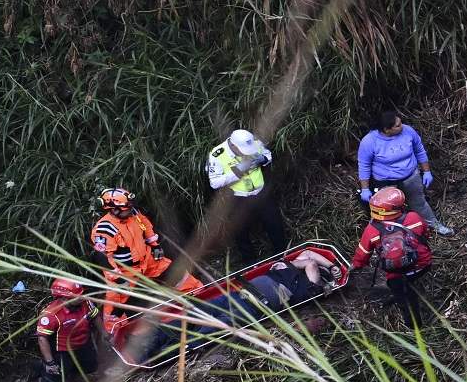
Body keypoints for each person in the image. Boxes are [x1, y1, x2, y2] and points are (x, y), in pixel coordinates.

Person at [356, 111, 452, 235]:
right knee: (387, 211)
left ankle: (434, 224)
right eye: (397, 125)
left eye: (400, 123)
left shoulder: (408, 131)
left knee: (419, 203)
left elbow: (419, 150)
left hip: (410, 175)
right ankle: (389, 237)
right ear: (387, 129)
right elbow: (364, 165)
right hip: (386, 181)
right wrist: (365, 189)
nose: (402, 126)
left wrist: (426, 171)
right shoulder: (369, 141)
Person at [348, 187, 433, 325]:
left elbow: (362, 255)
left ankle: (414, 327)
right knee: (411, 282)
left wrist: (354, 267)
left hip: (396, 274)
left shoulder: (372, 230)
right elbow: (425, 234)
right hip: (423, 264)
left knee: (404, 300)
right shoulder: (414, 218)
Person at [90, 188, 199, 288]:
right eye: (127, 207)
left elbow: (145, 225)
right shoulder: (104, 229)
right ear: (115, 210)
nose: (131, 209)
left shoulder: (133, 213)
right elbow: (103, 258)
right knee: (125, 303)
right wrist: (117, 277)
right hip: (126, 272)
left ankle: (200, 294)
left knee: (180, 277)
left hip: (148, 260)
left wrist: (155, 245)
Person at [204, 127, 286, 259]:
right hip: (239, 197)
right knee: (240, 231)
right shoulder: (217, 155)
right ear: (233, 146)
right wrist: (238, 171)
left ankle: (281, 255)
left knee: (274, 223)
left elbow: (268, 155)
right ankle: (250, 263)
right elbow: (214, 183)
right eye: (243, 151)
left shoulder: (253, 143)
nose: (246, 154)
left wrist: (263, 160)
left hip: (261, 192)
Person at [33, 277, 98, 382]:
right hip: (61, 352)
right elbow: (42, 338)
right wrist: (49, 362)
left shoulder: (86, 303)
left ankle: (67, 374)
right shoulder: (51, 315)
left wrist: (104, 335)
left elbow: (95, 318)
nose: (81, 298)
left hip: (82, 344)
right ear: (63, 298)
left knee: (91, 366)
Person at [264, 253, 340, 304]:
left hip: (268, 283)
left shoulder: (311, 285)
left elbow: (310, 260)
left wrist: (331, 267)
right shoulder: (295, 267)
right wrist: (331, 266)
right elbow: (309, 255)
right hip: (277, 288)